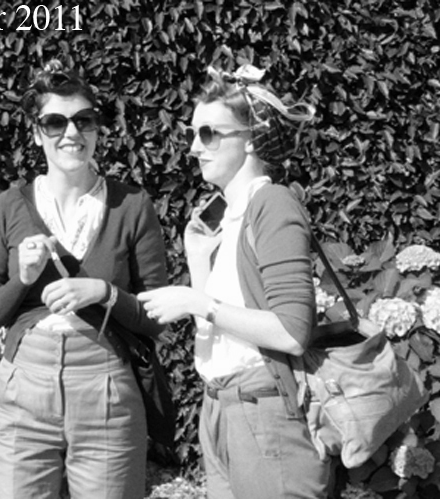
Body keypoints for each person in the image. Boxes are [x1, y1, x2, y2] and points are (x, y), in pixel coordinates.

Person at [0, 60, 168, 499]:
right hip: (24, 388)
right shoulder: (10, 206)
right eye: (55, 122)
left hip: (106, 389)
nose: (71, 133)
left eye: (84, 120)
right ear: (37, 132)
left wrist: (105, 293)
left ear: (98, 128)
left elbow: (156, 316)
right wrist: (23, 278)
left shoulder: (131, 205)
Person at [138, 64, 330, 498]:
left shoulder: (272, 205)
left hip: (264, 413)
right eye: (193, 134)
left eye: (208, 134)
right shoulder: (229, 215)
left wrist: (195, 300)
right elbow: (219, 327)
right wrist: (198, 261)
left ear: (249, 139)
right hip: (221, 409)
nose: (194, 147)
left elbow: (292, 331)